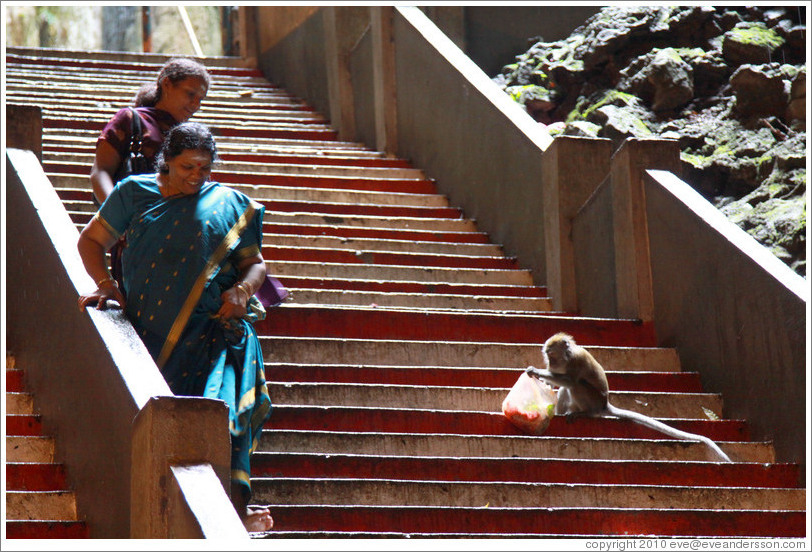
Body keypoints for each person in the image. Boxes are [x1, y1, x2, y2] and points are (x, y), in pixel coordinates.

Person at [77, 122, 274, 533]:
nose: (196, 177)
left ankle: (232, 508)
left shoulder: (229, 203)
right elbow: (90, 241)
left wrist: (242, 290)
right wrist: (105, 285)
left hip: (211, 335)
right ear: (165, 162)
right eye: (187, 167)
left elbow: (255, 264)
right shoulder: (133, 192)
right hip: (147, 336)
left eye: (204, 168)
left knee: (221, 419)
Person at [90, 57, 210, 205]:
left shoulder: (191, 137)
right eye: (190, 94)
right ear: (167, 84)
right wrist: (115, 215)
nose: (196, 105)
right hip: (130, 216)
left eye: (201, 99)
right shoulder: (129, 119)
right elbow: (101, 172)